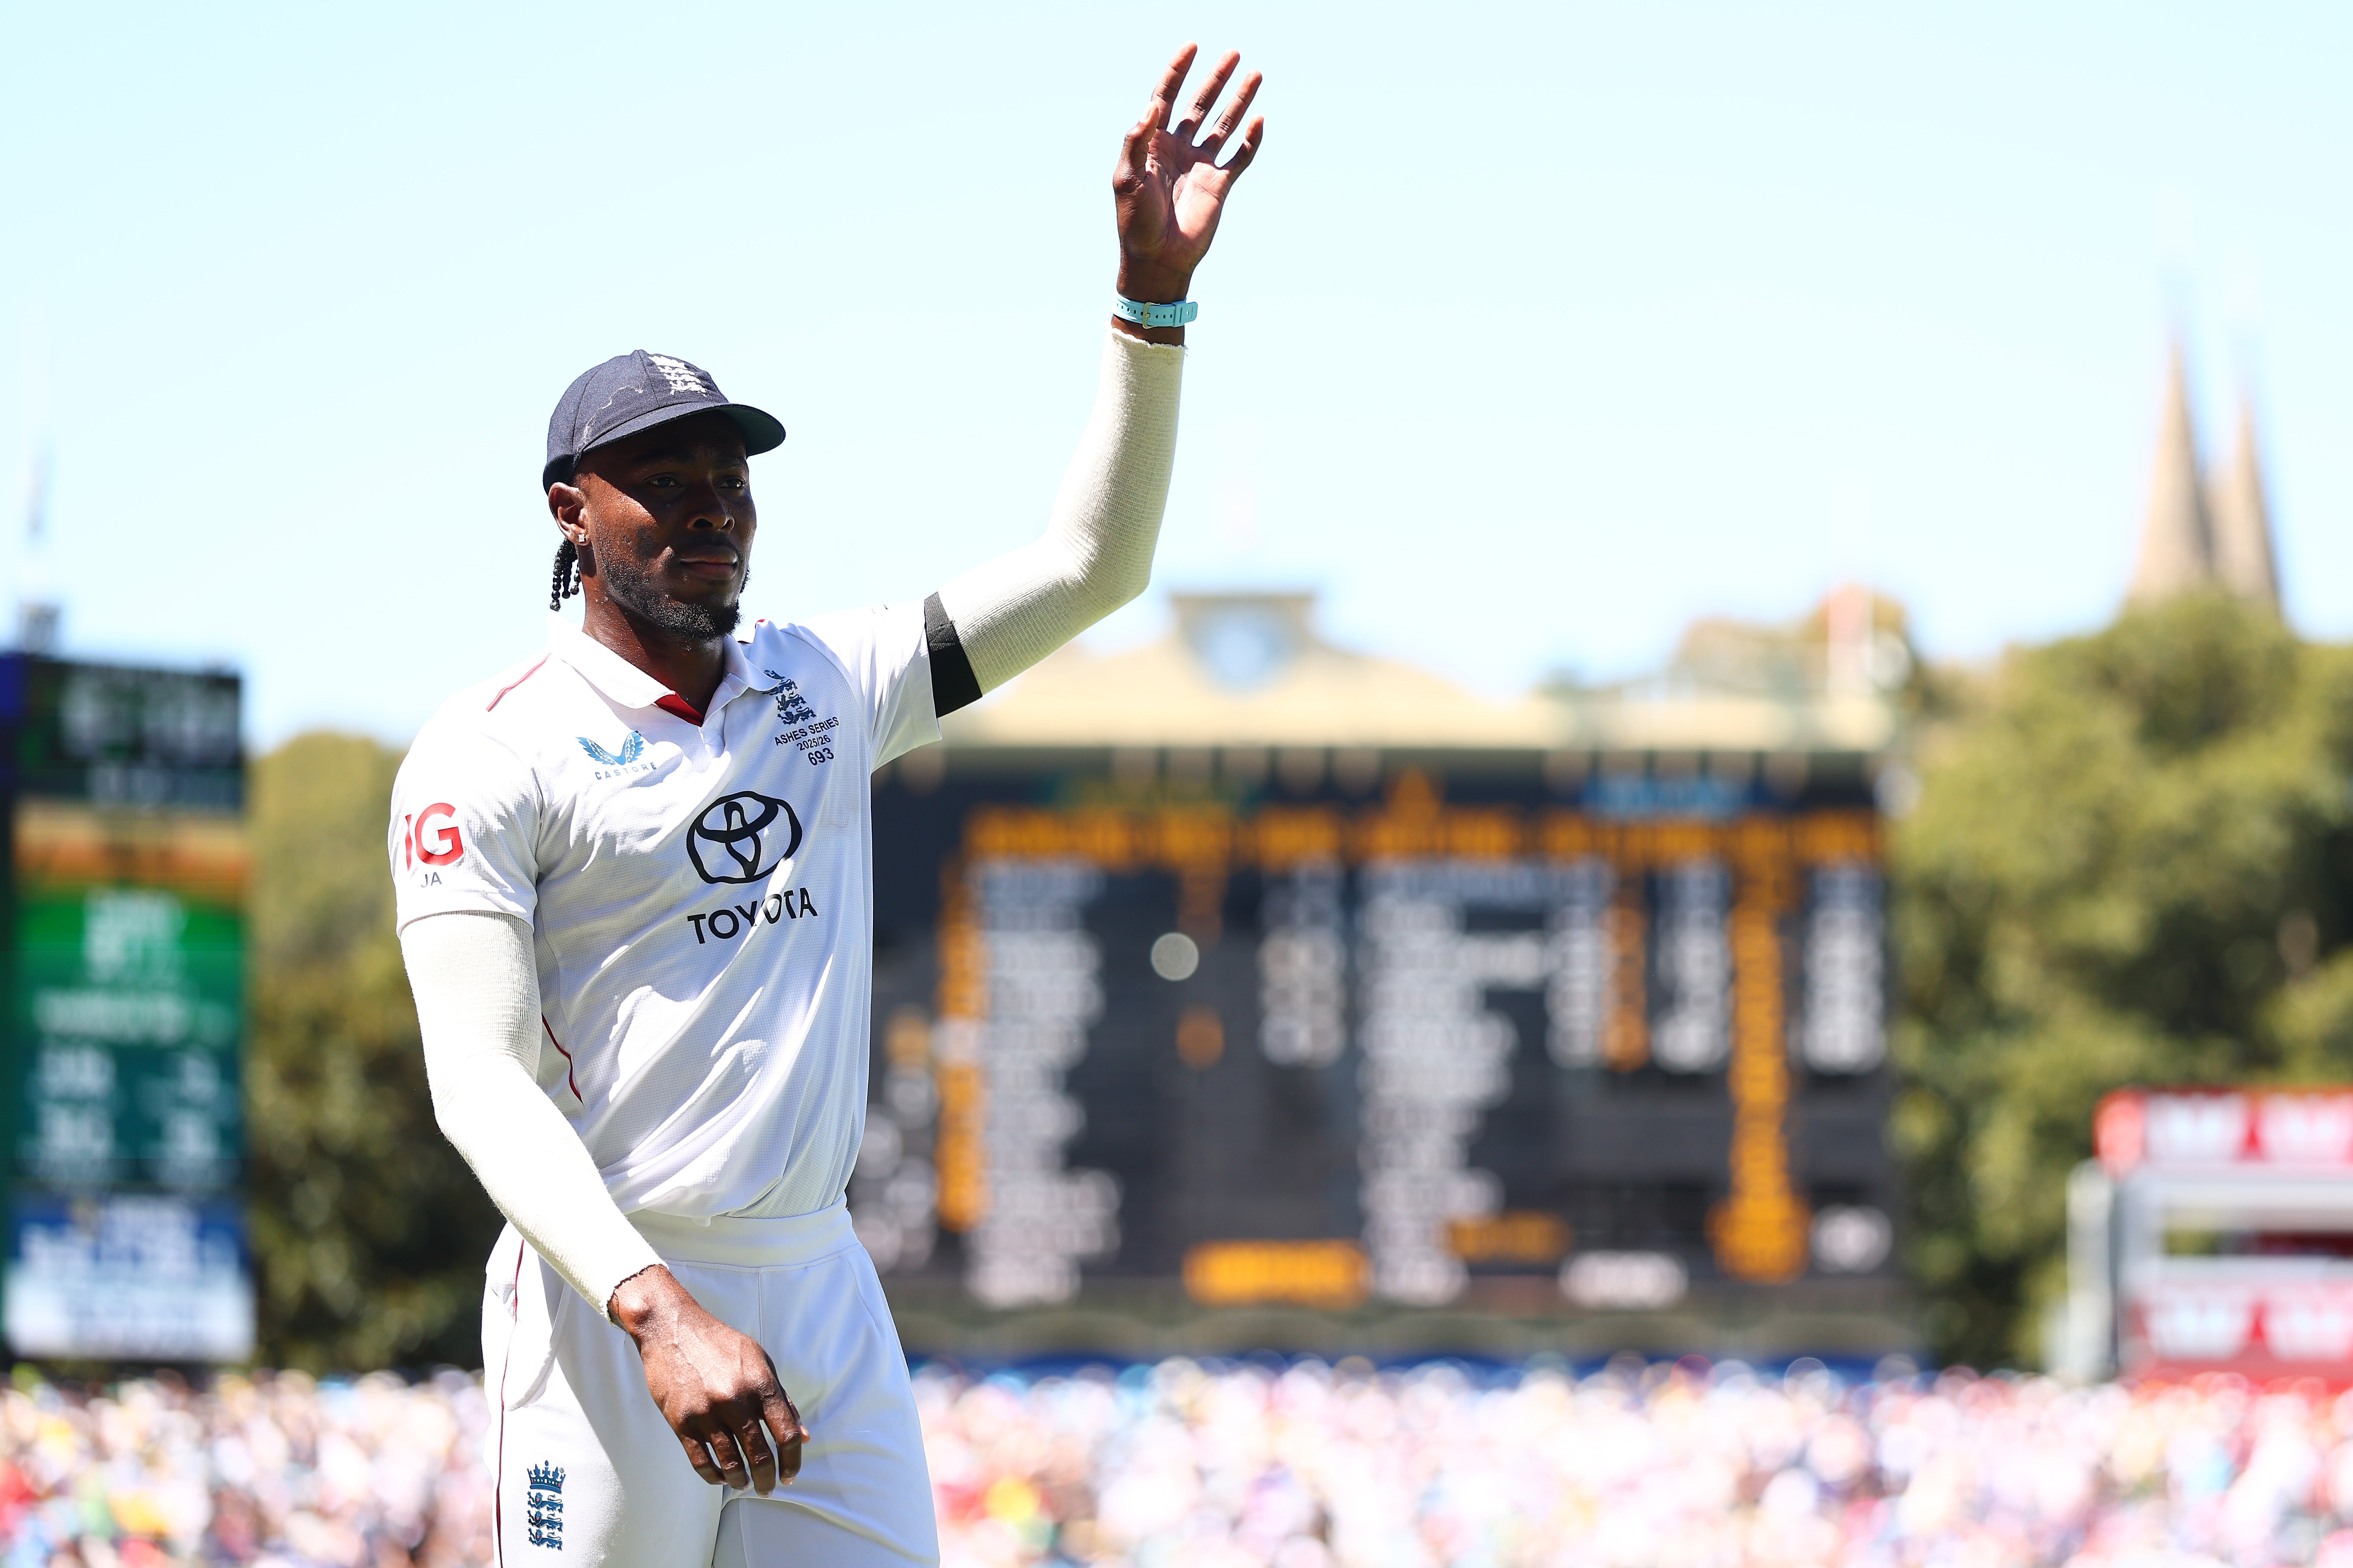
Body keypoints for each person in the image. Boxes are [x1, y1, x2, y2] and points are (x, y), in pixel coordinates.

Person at [386, 43, 1263, 1568]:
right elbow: (477, 1082)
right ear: (569, 509)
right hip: (611, 1295)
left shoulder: (830, 679)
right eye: (665, 479)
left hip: (820, 1282)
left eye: (730, 474)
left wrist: (1151, 305)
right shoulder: (486, 749)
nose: (714, 506)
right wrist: (652, 1305)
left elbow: (1092, 567)